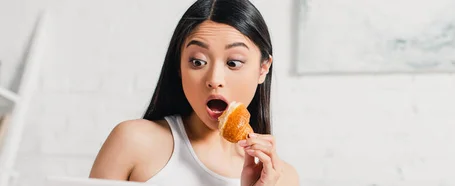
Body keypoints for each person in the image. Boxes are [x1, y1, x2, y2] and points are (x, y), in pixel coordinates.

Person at [88, 0, 299, 185]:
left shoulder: (282, 178)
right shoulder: (133, 142)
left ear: (263, 68)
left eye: (233, 63)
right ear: (179, 66)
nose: (214, 79)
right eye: (198, 62)